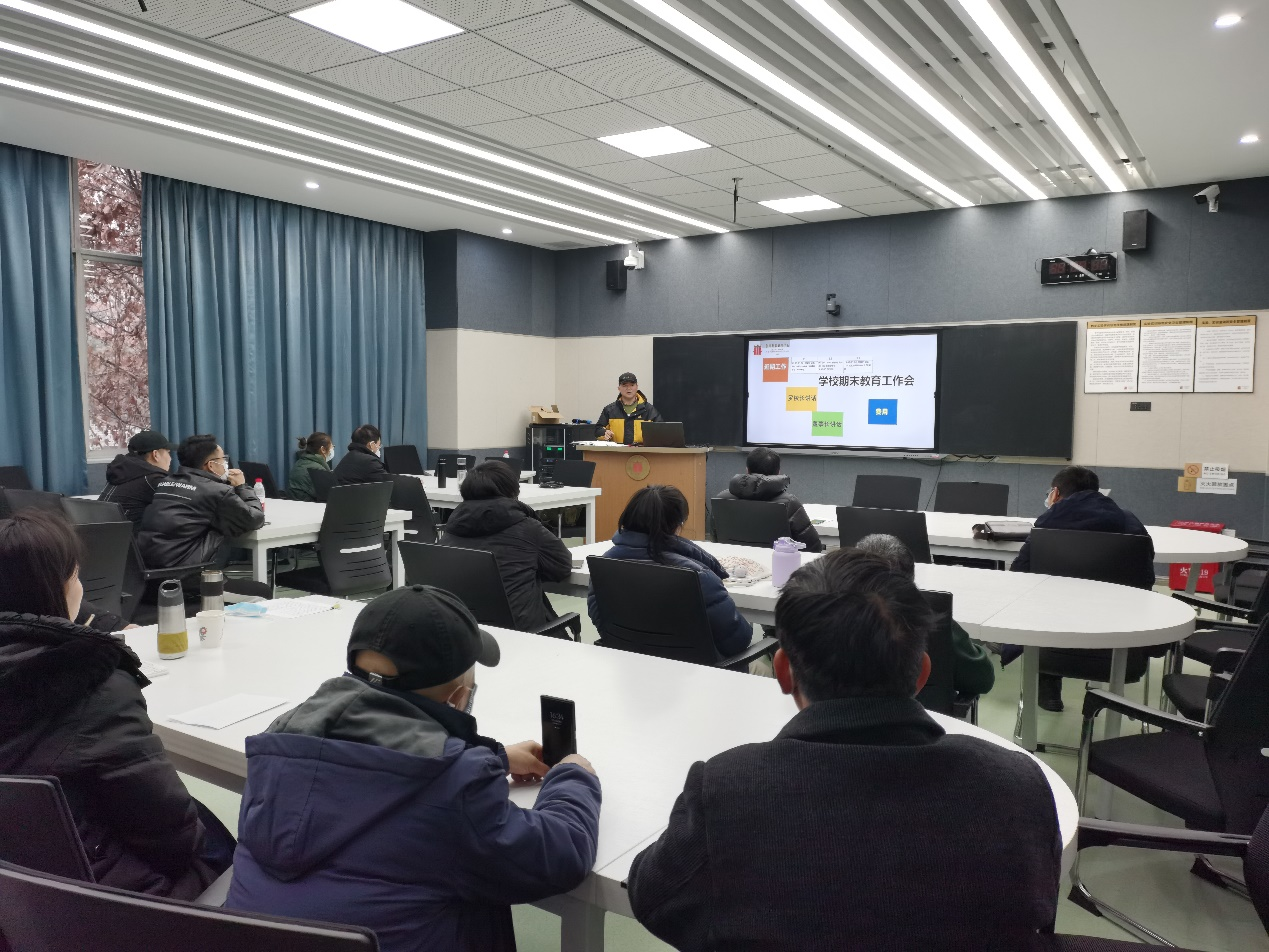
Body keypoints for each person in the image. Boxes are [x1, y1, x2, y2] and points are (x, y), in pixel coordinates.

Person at [626, 549, 1061, 951]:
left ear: (783, 672)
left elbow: (652, 896)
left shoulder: (727, 790)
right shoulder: (1017, 784)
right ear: (921, 674)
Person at [226, 584, 601, 952]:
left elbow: (369, 766)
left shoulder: (280, 741)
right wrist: (573, 776)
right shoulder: (456, 787)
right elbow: (561, 855)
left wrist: (493, 756)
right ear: (457, 698)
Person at [0, 510, 231, 898]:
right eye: (76, 575)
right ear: (56, 588)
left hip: (19, 892)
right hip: (111, 903)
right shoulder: (93, 687)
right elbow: (173, 840)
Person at [1009, 464, 1155, 712]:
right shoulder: (1131, 523)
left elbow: (1018, 575)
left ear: (1055, 493)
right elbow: (1145, 581)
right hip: (1121, 646)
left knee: (1047, 604)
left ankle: (1049, 689)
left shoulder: (1048, 524)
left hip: (1050, 646)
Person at [589, 484, 753, 657]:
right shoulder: (698, 576)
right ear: (677, 526)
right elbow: (738, 641)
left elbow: (601, 621)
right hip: (697, 672)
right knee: (761, 667)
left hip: (628, 667)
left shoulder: (603, 564)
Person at [440, 461, 576, 634]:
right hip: (523, 637)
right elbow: (562, 567)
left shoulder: (450, 530)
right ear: (513, 492)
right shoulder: (528, 528)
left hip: (464, 635)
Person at [854, 533, 995, 697]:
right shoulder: (933, 619)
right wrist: (972, 648)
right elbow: (982, 679)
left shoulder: (835, 619)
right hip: (924, 711)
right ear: (911, 579)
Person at [137, 433, 265, 568]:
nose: (225, 463)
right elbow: (254, 519)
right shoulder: (215, 491)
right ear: (211, 465)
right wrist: (242, 486)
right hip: (184, 569)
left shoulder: (166, 482)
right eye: (223, 459)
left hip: (148, 566)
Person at [714, 447, 823, 552]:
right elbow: (813, 548)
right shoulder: (789, 503)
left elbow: (716, 539)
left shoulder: (721, 499)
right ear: (778, 472)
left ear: (747, 470)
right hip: (778, 563)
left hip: (733, 561)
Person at [98, 429, 176, 527]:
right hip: (133, 535)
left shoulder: (121, 473)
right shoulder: (153, 479)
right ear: (155, 454)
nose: (170, 458)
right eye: (168, 453)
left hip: (107, 534)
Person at [597, 372, 663, 444]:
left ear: (637, 387)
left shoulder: (649, 410)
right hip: (617, 450)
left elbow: (661, 431)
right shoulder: (609, 410)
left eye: (632, 385)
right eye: (625, 385)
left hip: (641, 450)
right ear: (619, 388)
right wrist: (604, 433)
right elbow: (598, 430)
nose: (629, 388)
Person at [288, 431, 333, 501]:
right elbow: (329, 497)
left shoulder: (300, 462)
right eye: (332, 447)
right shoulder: (318, 470)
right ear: (323, 449)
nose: (332, 450)